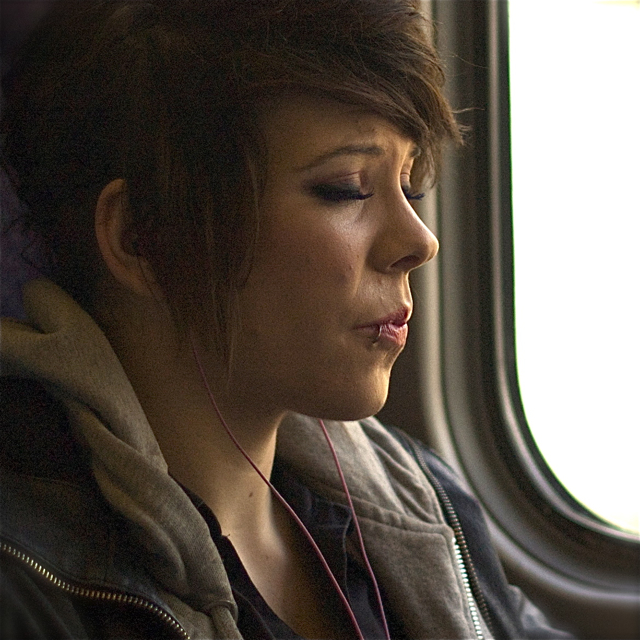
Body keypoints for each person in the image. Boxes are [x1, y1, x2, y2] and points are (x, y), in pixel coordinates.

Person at [0, 1, 574, 638]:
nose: (419, 241)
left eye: (408, 186)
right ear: (143, 237)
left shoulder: (417, 497)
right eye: (346, 187)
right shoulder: (31, 585)